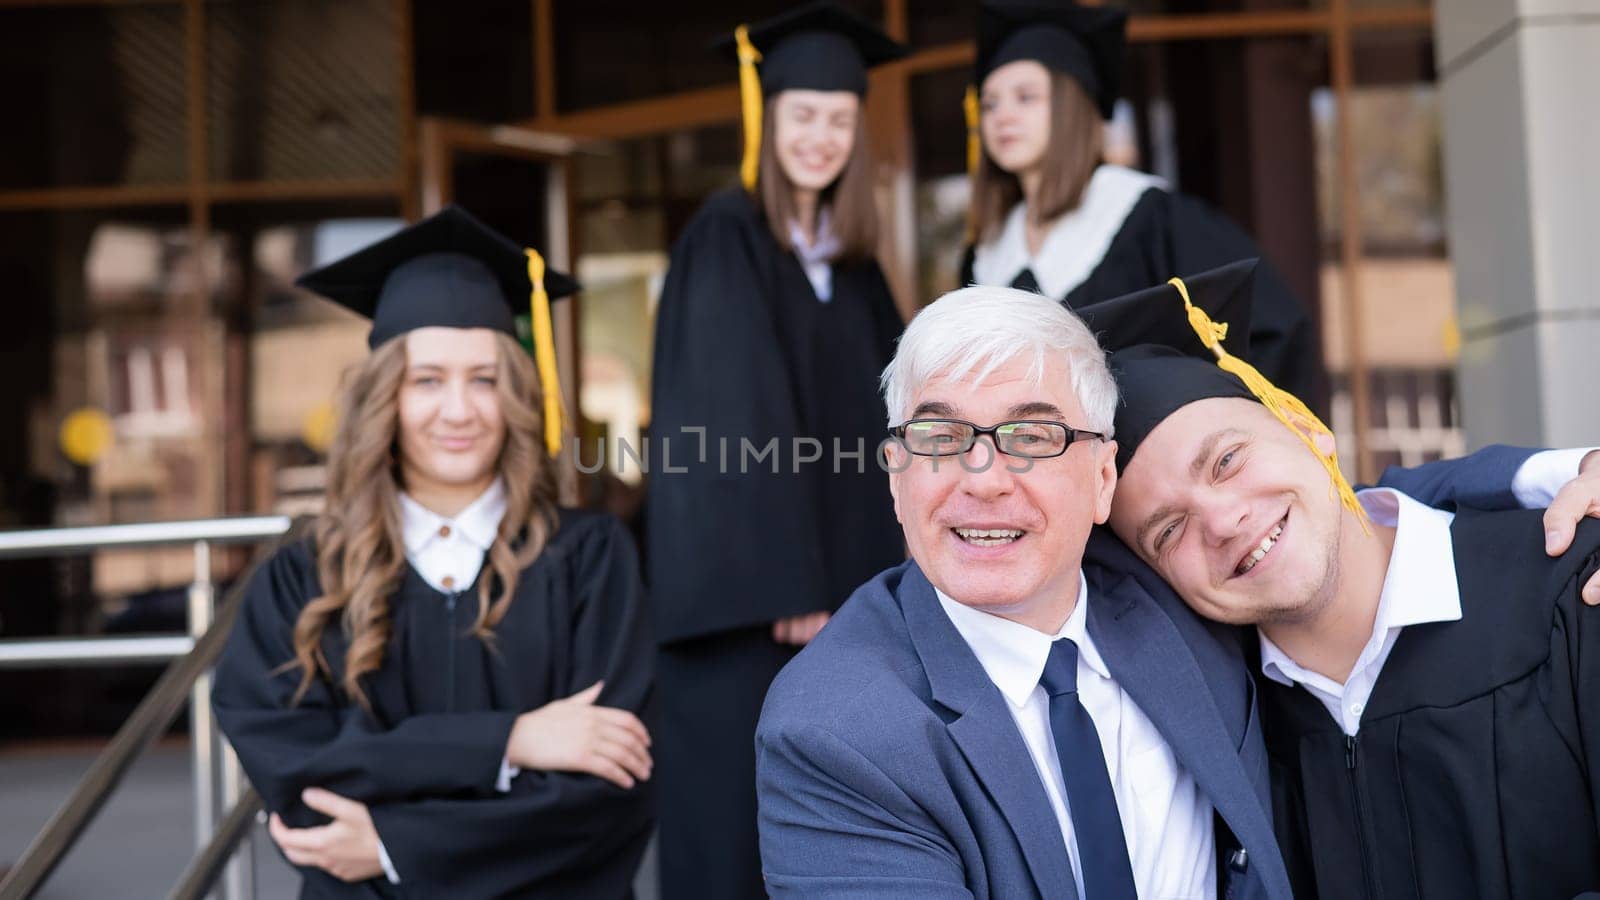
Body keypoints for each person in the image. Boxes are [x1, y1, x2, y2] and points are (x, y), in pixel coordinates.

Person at [754, 278, 1598, 899]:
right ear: (894, 471)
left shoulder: (1569, 601)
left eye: (1032, 435)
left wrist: (1556, 472)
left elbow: (1343, 515)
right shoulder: (839, 732)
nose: (984, 476)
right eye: (940, 437)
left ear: (1095, 483)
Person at [1097, 261, 1600, 898]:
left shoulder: (1573, 591)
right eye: (1168, 531)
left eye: (1227, 460)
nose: (1222, 522)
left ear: (1309, 429)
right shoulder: (1228, 734)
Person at [212, 206, 654, 898]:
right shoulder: (306, 578)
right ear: (382, 398)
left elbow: (609, 796)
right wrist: (510, 742)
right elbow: (301, 778)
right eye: (427, 380)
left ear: (515, 395)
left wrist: (393, 842)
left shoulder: (589, 561)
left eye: (483, 379)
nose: (459, 410)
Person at [645, 3, 907, 896]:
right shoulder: (727, 237)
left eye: (839, 120)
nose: (821, 137)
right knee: (735, 837)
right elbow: (727, 417)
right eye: (802, 115)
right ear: (766, 119)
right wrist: (790, 584)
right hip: (756, 617)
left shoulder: (857, 266)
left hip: (844, 602)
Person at [960, 0, 1316, 398]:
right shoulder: (987, 253)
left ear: (1071, 107)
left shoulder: (1148, 218)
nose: (1002, 116)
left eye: (1025, 97)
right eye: (989, 103)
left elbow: (1272, 327)